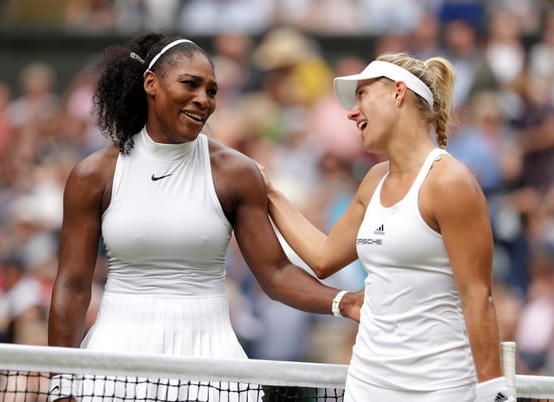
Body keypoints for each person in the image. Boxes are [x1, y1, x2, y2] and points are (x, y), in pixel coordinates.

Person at [47, 32, 362, 402]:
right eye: (190, 84)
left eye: (212, 91)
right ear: (151, 84)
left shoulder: (236, 173)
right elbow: (71, 285)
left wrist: (344, 301)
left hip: (211, 356)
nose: (203, 100)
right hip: (117, 351)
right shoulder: (92, 175)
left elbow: (275, 274)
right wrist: (61, 385)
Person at [257, 52, 514, 401]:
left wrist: (493, 392)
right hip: (367, 383)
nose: (351, 112)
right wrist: (269, 193)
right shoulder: (374, 179)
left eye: (362, 94)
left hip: (441, 387)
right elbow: (322, 257)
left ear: (398, 92)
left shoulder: (450, 182)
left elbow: (477, 298)